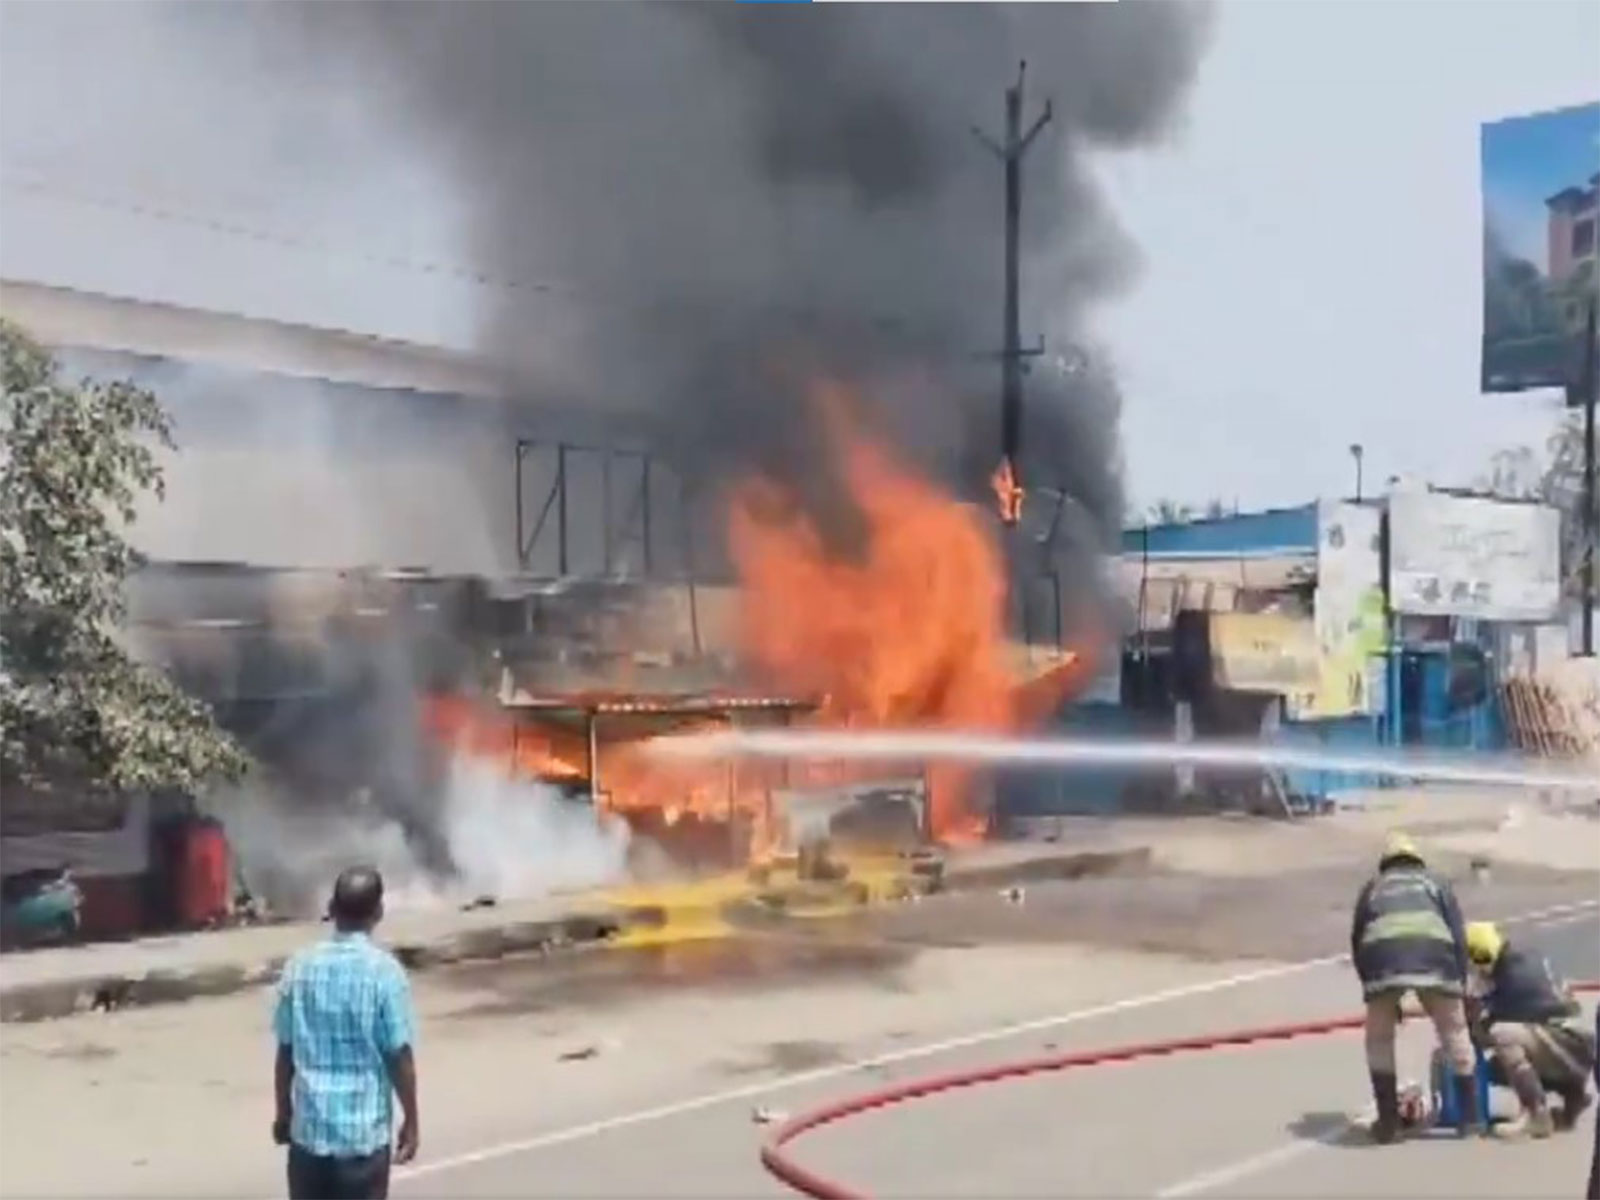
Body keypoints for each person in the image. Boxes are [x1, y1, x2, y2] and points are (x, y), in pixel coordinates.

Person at [273, 866, 420, 1199]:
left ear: (331, 909)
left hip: (308, 1140)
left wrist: (283, 1113)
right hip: (362, 1143)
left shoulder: (299, 967)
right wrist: (411, 1120)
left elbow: (286, 1051)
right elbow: (399, 1056)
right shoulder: (385, 972)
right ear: (378, 912)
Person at [1349, 832, 1477, 1142]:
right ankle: (1471, 1120)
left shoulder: (1372, 888)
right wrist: (1460, 981)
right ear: (1417, 859)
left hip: (1382, 962)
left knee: (1379, 1040)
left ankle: (1389, 1123)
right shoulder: (1436, 883)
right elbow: (1457, 933)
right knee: (1455, 1035)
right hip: (1435, 959)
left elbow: (1357, 939)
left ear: (1386, 863)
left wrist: (1374, 989)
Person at [1463, 920, 1595, 1140]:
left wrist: (1471, 1018)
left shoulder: (1512, 976)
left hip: (1567, 1041)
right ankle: (1573, 1097)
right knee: (1509, 1056)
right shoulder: (1525, 958)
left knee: (1503, 1037)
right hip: (1580, 1042)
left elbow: (1485, 1032)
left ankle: (1537, 1114)